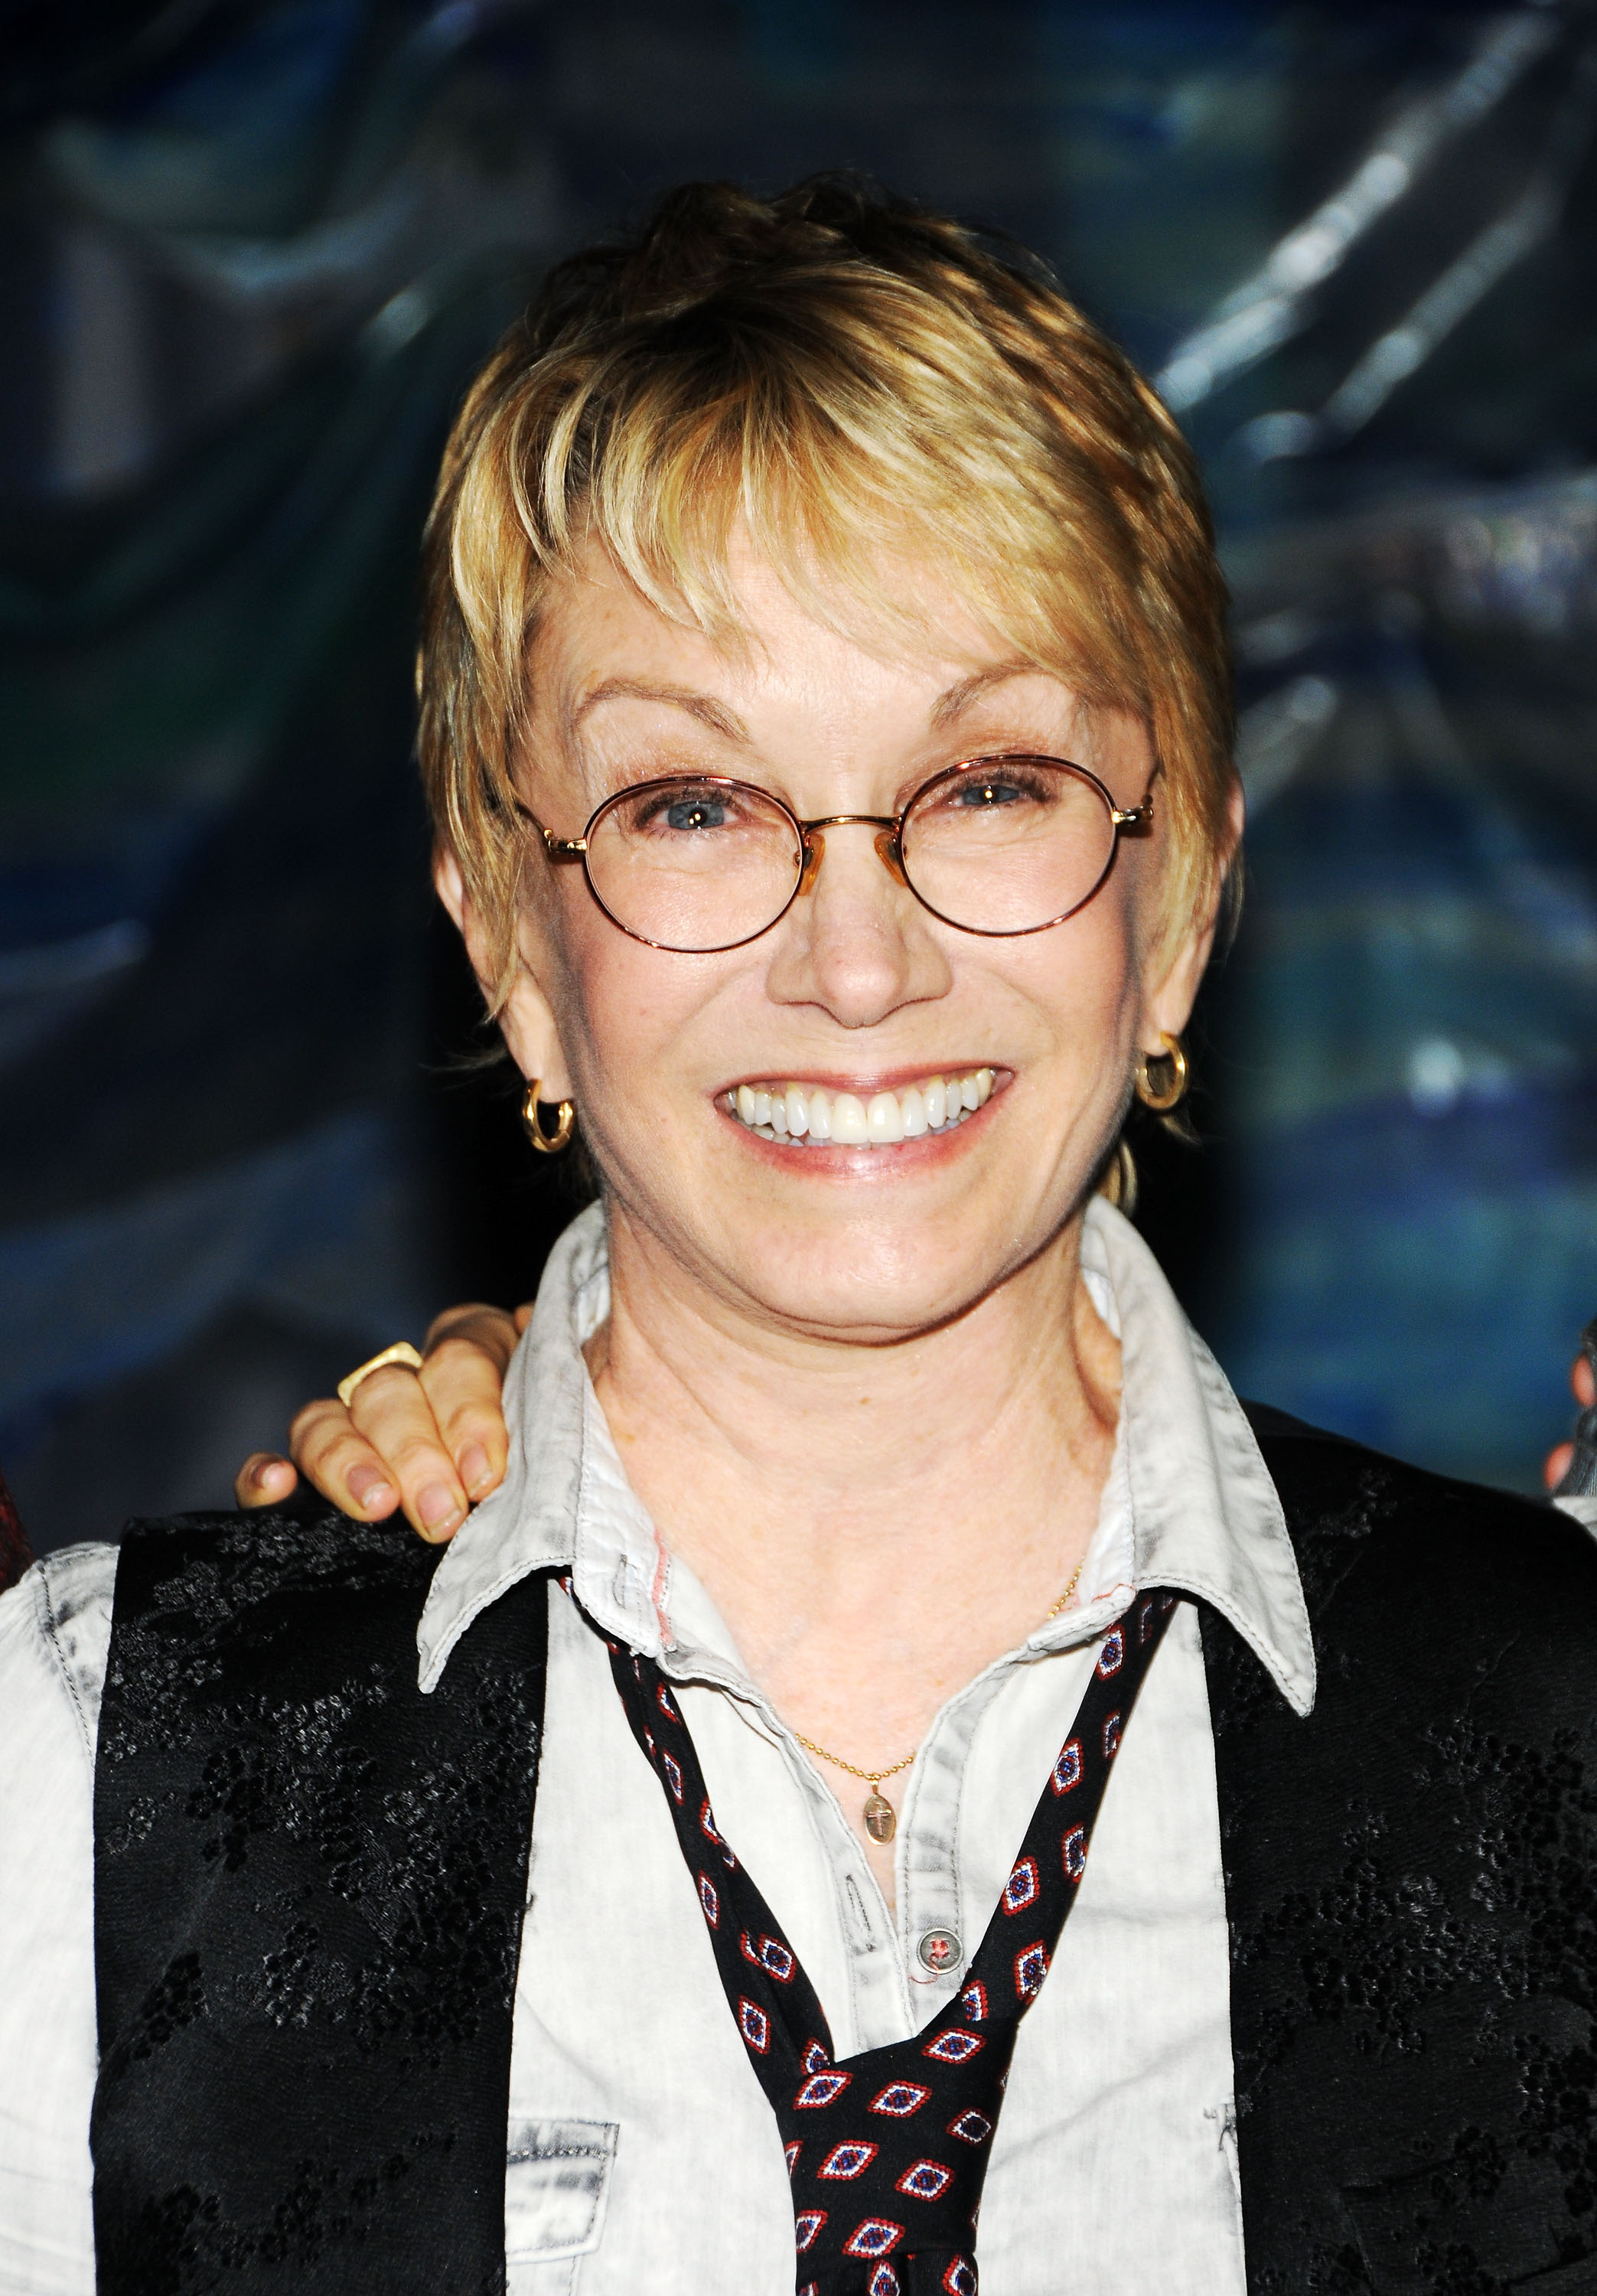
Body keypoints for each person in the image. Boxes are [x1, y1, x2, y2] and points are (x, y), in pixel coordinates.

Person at [2, 175, 1595, 2296]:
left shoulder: (1557, 1741)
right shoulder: (86, 1774)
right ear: (510, 942)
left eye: (994, 782)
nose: (859, 962)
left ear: (1187, 895)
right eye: (694, 806)